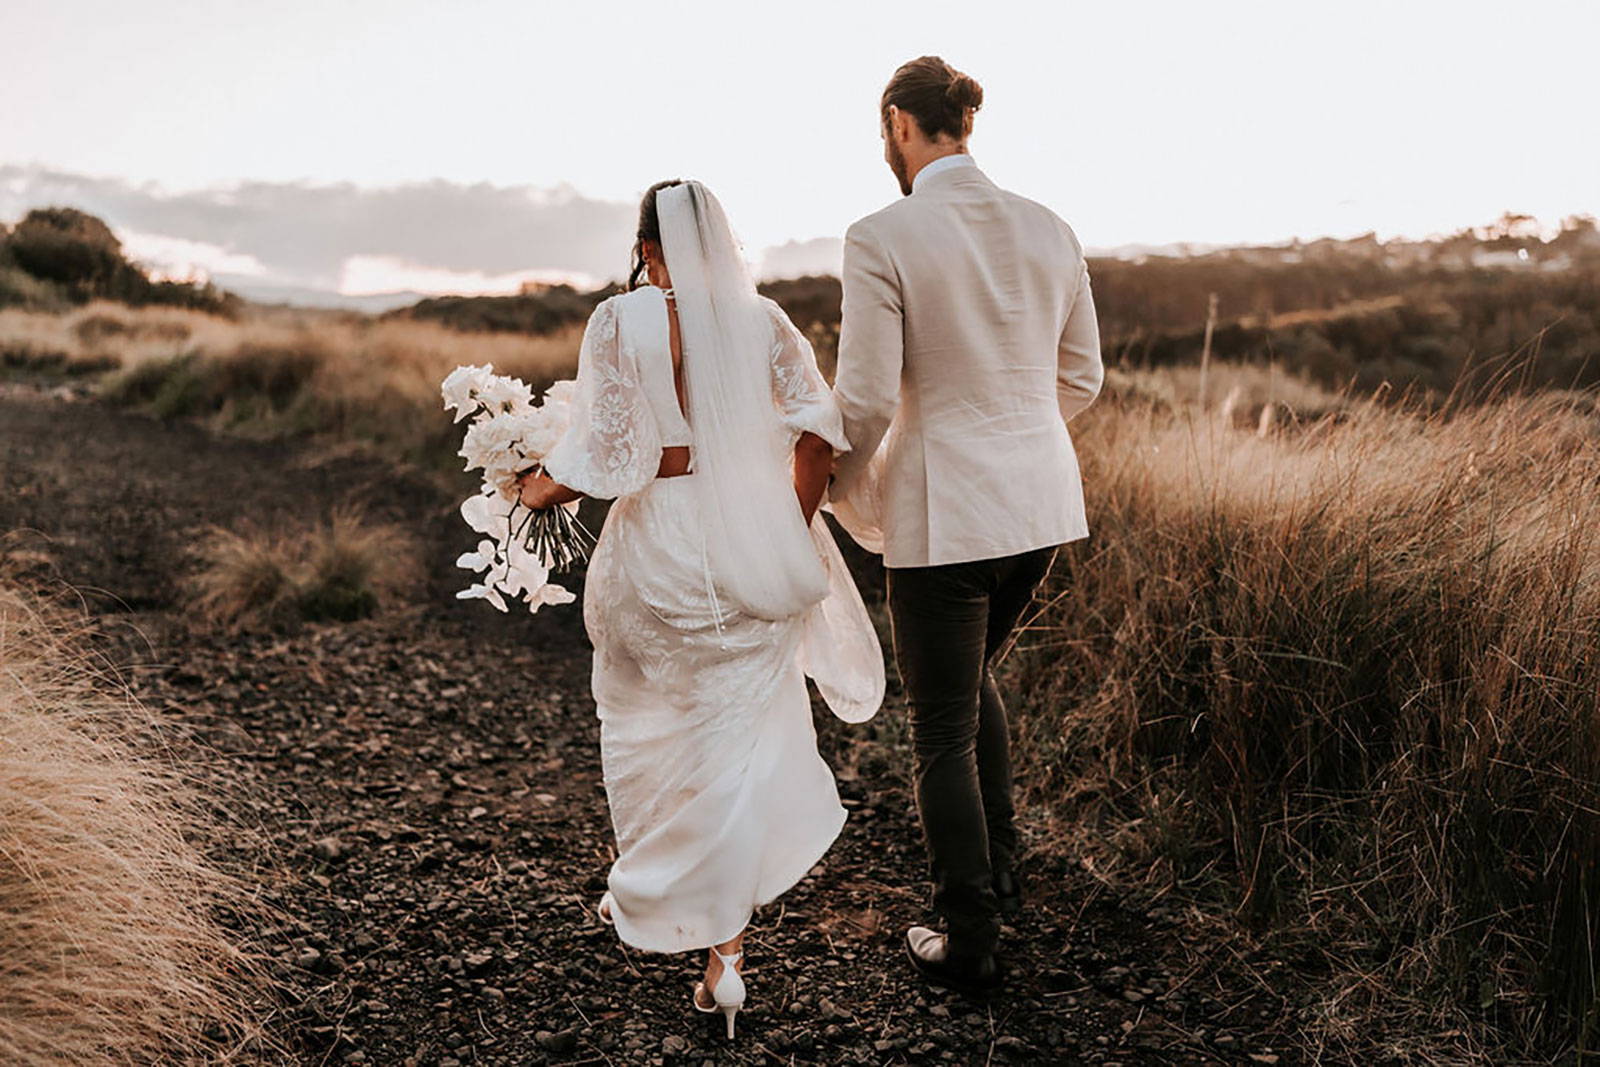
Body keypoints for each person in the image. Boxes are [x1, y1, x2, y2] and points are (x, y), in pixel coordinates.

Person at [515, 179, 884, 1039]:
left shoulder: (619, 320)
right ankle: (726, 959)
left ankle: (654, 877)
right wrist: (780, 529)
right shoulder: (765, 322)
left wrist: (537, 487)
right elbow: (820, 434)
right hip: (745, 550)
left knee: (656, 721)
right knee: (736, 736)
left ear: (649, 248)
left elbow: (612, 450)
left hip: (658, 553)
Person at [828, 55, 1104, 997]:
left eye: (884, 133)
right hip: (1041, 511)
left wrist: (827, 484)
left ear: (901, 124)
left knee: (940, 724)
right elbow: (1083, 379)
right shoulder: (1049, 226)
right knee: (972, 677)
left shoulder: (881, 234)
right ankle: (1005, 861)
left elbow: (861, 400)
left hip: (949, 519)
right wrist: (1014, 440)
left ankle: (970, 934)